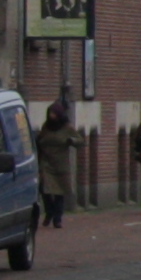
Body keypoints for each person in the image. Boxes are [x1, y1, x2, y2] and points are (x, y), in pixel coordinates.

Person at [35, 98, 85, 231]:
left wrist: (71, 140)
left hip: (60, 164)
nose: (51, 116)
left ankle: (57, 218)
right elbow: (40, 139)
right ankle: (49, 212)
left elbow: (80, 140)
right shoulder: (46, 126)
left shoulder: (67, 127)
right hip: (46, 162)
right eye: (50, 113)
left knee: (59, 192)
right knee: (44, 189)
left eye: (54, 114)